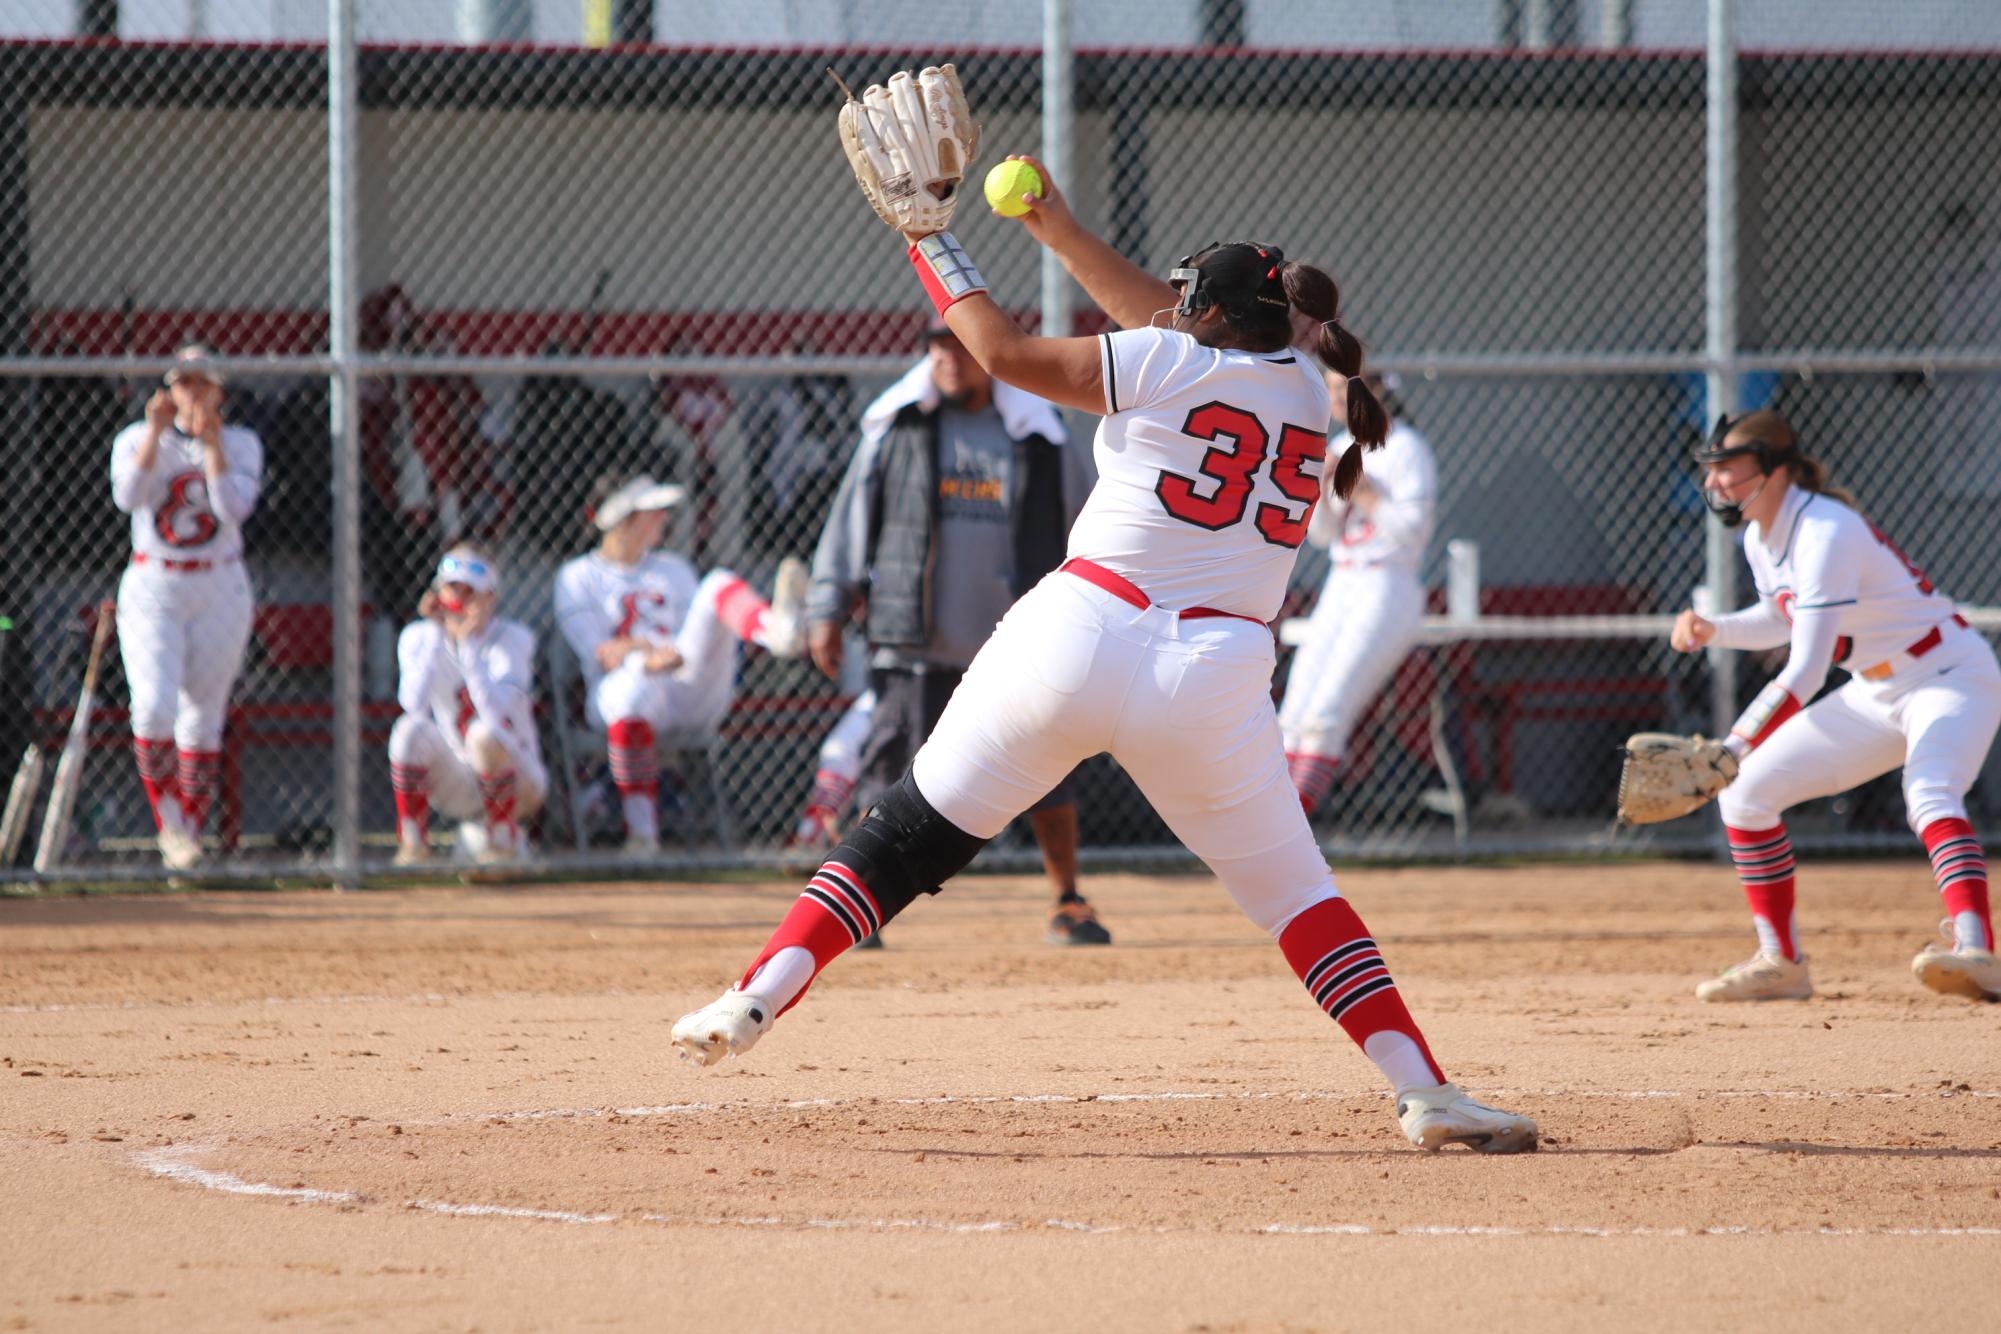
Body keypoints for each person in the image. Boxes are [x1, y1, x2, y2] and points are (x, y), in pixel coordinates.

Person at [672, 152, 1538, 1154]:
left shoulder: (1173, 361)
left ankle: (756, 993)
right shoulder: (1305, 387)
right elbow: (1173, 328)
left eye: (1186, 301)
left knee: (905, 833)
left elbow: (1000, 351)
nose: (1169, 310)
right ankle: (1424, 1087)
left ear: (1207, 317)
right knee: (1303, 901)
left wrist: (928, 240)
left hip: (1080, 634)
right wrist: (1056, 226)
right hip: (1212, 676)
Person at [1670, 410, 2001, 1002]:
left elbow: (1805, 670)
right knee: (1745, 798)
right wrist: (1715, 629)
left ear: (1775, 470)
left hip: (1949, 674)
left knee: (1930, 792)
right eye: (1711, 470)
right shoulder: (1759, 535)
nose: (1714, 482)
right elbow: (1781, 615)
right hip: (1874, 691)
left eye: (1728, 468)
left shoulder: (1826, 529)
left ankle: (1977, 949)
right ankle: (1783, 963)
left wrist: (1732, 747)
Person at [803, 315, 1109, 946]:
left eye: (960, 350)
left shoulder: (1038, 438)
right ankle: (862, 908)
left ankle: (1067, 898)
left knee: (1048, 769)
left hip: (1016, 644)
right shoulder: (902, 431)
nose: (947, 362)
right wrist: (827, 608)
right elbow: (850, 523)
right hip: (916, 639)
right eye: (937, 351)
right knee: (888, 771)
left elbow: (1092, 525)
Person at [553, 474, 808, 855]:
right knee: (631, 688)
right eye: (651, 512)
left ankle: (779, 632)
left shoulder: (674, 568)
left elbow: (691, 642)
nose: (662, 519)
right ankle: (642, 835)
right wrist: (645, 654)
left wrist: (661, 654)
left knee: (718, 582)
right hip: (619, 691)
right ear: (624, 519)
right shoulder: (577, 576)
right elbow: (602, 653)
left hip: (684, 687)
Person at [110, 343, 263, 872]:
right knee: (152, 707)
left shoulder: (241, 442)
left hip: (220, 584)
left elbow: (234, 508)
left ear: (220, 391)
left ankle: (190, 838)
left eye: (202, 384)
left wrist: (212, 444)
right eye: (183, 384)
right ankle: (170, 824)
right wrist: (155, 433)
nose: (191, 394)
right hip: (156, 580)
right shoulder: (136, 437)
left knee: (203, 718)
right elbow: (128, 495)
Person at [1279, 370, 1437, 814]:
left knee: (1326, 714)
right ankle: (1273, 821)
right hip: (1343, 580)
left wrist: (1364, 492)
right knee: (1292, 716)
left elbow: (1413, 534)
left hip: (1387, 581)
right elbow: (1323, 536)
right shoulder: (1340, 446)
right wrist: (1326, 490)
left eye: (1342, 388)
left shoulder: (1406, 447)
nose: (1333, 398)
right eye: (1329, 389)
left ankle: (1288, 824)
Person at [388, 544, 546, 869]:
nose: (459, 600)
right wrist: (436, 632)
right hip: (458, 779)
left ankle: (502, 842)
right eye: (451, 589)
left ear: (490, 598)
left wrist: (468, 644)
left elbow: (494, 716)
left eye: (470, 592)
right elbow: (412, 705)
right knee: (407, 730)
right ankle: (413, 844)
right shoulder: (418, 637)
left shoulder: (515, 638)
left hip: (520, 780)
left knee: (483, 732)